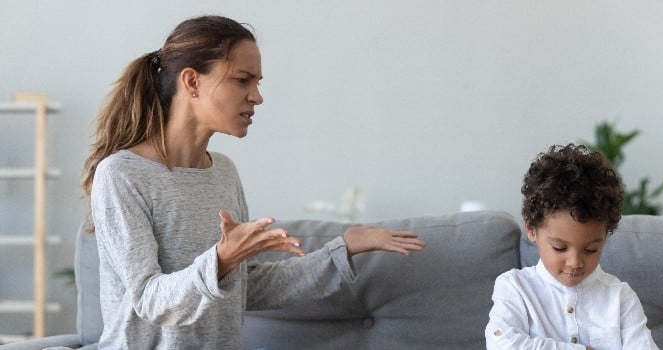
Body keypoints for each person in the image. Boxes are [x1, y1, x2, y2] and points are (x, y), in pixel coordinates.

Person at [79, 15, 426, 350]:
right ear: (192, 82)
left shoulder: (223, 171)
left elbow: (250, 288)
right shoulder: (122, 175)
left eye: (258, 83)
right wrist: (222, 259)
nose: (257, 96)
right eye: (242, 80)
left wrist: (344, 249)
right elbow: (150, 300)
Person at [485, 144, 658, 350]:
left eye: (591, 250)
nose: (575, 262)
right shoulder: (514, 287)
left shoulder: (620, 297)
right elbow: (501, 344)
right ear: (532, 230)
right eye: (559, 248)